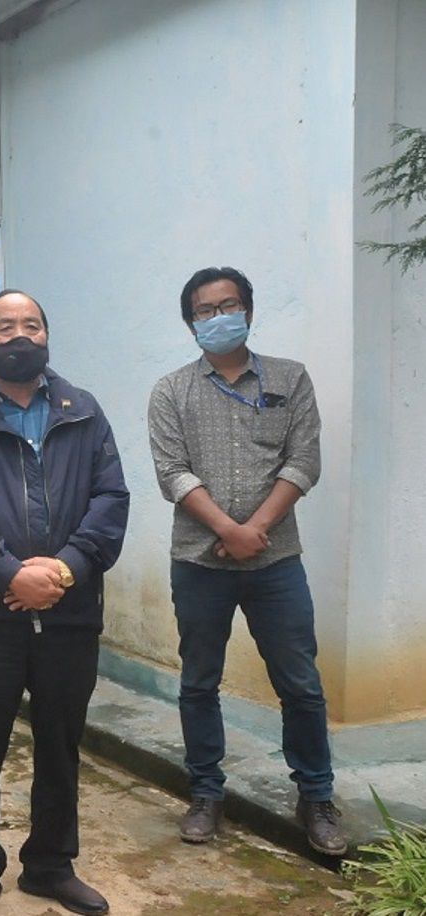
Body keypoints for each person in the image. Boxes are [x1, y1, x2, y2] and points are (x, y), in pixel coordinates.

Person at [0, 290, 128, 916]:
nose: (19, 336)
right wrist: (8, 572)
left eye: (31, 325)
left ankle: (50, 865)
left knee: (61, 745)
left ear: (46, 337)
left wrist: (64, 569)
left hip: (69, 609)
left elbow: (110, 499)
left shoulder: (83, 411)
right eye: (5, 326)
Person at [147, 267, 345, 856]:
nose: (218, 318)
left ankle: (316, 795)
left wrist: (254, 531)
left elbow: (303, 460)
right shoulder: (171, 391)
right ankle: (206, 793)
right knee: (199, 682)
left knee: (300, 684)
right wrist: (228, 530)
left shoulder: (290, 378)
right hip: (199, 561)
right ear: (191, 323)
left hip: (274, 561)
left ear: (249, 312)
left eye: (228, 306)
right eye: (204, 311)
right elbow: (172, 472)